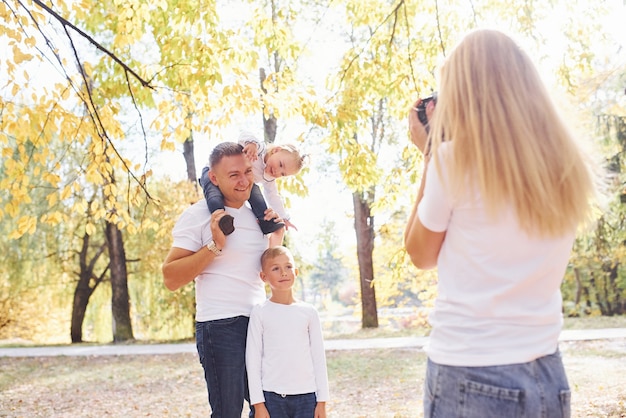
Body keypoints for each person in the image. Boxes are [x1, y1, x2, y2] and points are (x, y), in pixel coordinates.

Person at [404, 29, 597, 417]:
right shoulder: (566, 163)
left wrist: (430, 152)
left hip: (470, 370)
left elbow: (420, 253)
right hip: (547, 373)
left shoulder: (453, 159)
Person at [162, 141, 281, 417]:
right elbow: (170, 277)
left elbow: (265, 273)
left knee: (270, 407)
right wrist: (214, 246)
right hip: (220, 327)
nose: (244, 181)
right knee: (228, 412)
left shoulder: (257, 217)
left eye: (248, 172)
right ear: (213, 178)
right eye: (233, 175)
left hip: (259, 324)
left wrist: (277, 234)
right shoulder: (199, 215)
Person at [246, 246, 329, 418]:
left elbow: (319, 358)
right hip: (272, 397)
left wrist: (322, 402)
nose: (284, 273)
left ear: (296, 271)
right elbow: (252, 360)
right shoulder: (260, 312)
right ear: (264, 276)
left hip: (306, 397)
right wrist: (258, 405)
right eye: (275, 268)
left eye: (288, 267)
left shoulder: (309, 312)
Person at [199, 131, 305, 243]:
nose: (277, 171)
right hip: (213, 172)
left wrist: (284, 217)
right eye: (280, 164)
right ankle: (221, 219)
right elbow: (243, 135)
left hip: (240, 182)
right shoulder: (258, 150)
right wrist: (252, 145)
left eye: (283, 174)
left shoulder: (268, 177)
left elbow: (273, 195)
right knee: (213, 195)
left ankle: (265, 222)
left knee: (256, 194)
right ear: (275, 150)